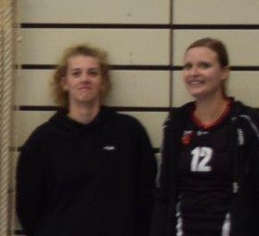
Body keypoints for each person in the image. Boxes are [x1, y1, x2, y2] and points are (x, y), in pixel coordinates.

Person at [16, 44, 156, 236]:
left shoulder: (130, 133)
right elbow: (28, 207)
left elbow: (147, 198)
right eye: (76, 73)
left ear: (103, 82)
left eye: (92, 73)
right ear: (64, 83)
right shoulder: (42, 140)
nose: (84, 79)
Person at [151, 37, 259, 236]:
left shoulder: (247, 123)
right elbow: (163, 194)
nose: (194, 72)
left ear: (224, 72)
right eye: (188, 66)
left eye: (204, 65)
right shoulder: (175, 124)